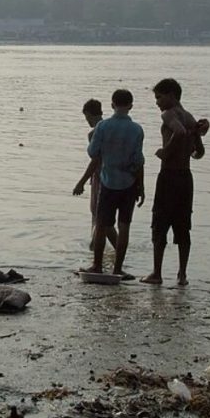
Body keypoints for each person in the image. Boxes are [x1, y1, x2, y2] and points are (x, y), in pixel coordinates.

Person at [142, 78, 207, 286]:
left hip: (169, 175)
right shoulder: (190, 118)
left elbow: (178, 132)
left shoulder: (169, 114)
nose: (157, 103)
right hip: (186, 177)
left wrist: (165, 152)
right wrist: (192, 140)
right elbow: (200, 152)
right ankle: (182, 275)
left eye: (159, 97)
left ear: (171, 95)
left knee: (159, 224)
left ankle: (157, 273)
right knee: (183, 226)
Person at [80, 89, 145, 279]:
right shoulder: (137, 129)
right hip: (129, 183)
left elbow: (93, 153)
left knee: (101, 225)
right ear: (131, 106)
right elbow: (138, 161)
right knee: (124, 226)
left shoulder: (103, 127)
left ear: (112, 105)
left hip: (108, 182)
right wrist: (141, 186)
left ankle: (97, 266)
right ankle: (117, 269)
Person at [72, 99, 117, 251]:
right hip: (113, 175)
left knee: (99, 216)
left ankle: (116, 250)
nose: (87, 121)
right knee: (100, 217)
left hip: (99, 177)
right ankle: (96, 249)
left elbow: (95, 161)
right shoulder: (111, 128)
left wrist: (81, 182)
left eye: (86, 118)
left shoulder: (94, 132)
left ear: (89, 114)